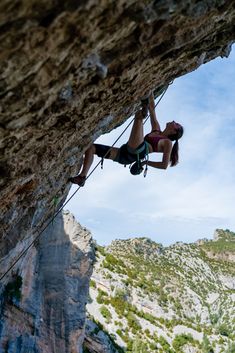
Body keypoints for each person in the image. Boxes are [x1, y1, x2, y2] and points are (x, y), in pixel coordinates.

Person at [69, 92, 184, 187]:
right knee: (91, 148)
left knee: (139, 117)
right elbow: (153, 109)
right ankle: (82, 177)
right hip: (124, 155)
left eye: (176, 124)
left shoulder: (168, 143)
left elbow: (164, 165)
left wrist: (145, 162)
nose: (174, 121)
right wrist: (152, 88)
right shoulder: (156, 130)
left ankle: (142, 113)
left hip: (138, 151)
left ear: (174, 131)